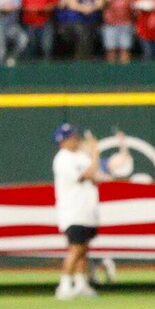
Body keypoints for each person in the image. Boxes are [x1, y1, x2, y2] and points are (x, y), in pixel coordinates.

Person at [53, 123, 101, 299]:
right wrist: (95, 155)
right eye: (71, 137)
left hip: (87, 209)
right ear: (63, 141)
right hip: (73, 210)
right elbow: (85, 175)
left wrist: (91, 155)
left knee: (83, 249)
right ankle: (64, 285)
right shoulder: (62, 158)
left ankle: (81, 283)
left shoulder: (81, 156)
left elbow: (96, 176)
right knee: (76, 248)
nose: (75, 139)